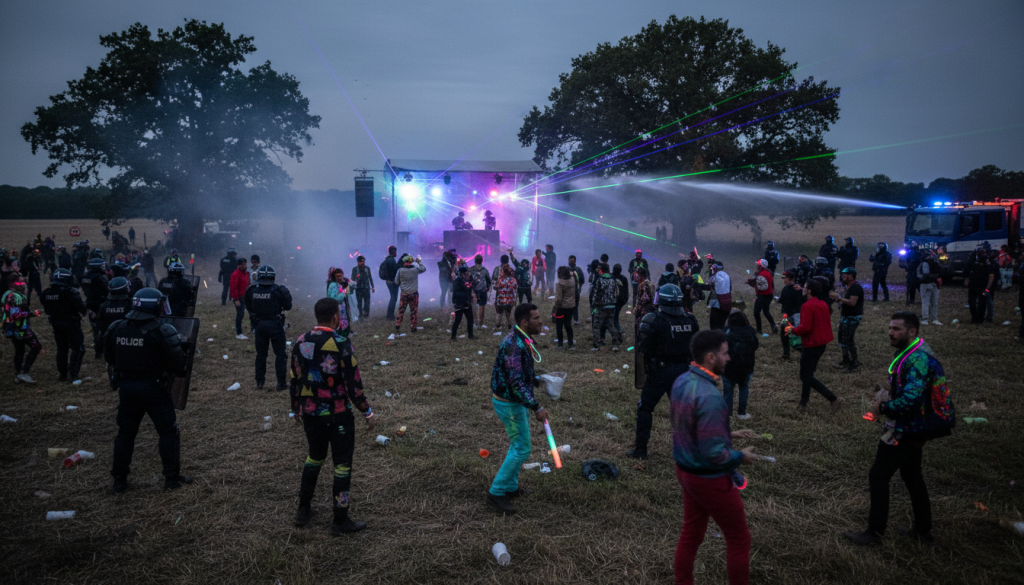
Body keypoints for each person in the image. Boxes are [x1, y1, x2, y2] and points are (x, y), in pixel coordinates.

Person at [843, 312, 955, 546]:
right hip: (916, 426)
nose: (891, 333)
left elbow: (912, 401)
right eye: (890, 328)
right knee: (912, 475)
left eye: (897, 329)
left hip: (909, 427)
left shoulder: (918, 360)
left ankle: (874, 534)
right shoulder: (914, 353)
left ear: (912, 331)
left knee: (879, 475)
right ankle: (923, 532)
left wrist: (882, 406)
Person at [670, 328, 758, 585]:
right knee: (739, 538)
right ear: (710, 358)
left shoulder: (682, 381)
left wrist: (728, 431)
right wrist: (740, 456)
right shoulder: (710, 396)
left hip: (686, 471)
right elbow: (713, 453)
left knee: (692, 532)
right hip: (710, 479)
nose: (729, 358)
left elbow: (690, 424)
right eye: (724, 353)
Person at [290, 298, 375, 535]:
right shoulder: (341, 343)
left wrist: (295, 407)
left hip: (311, 414)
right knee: (342, 466)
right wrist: (366, 411)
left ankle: (303, 510)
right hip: (338, 416)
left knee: (314, 458)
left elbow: (294, 378)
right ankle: (340, 520)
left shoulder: (300, 341)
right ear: (336, 317)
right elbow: (353, 384)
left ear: (317, 316)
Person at [104, 287, 191, 493]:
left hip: (127, 388)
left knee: (125, 434)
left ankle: (119, 482)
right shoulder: (162, 330)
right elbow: (178, 367)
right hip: (154, 389)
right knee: (168, 432)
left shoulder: (117, 327)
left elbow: (109, 357)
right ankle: (171, 479)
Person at [486, 303, 548, 514]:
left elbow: (520, 373)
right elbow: (515, 383)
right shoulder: (514, 344)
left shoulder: (522, 338)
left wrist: (539, 380)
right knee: (522, 448)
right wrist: (536, 407)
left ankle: (510, 487)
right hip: (509, 402)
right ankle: (496, 492)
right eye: (536, 318)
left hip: (514, 400)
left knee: (517, 444)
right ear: (524, 322)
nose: (541, 321)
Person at [627, 284, 699, 459]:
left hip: (660, 371)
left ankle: (641, 450)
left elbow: (644, 347)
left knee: (645, 409)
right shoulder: (691, 321)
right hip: (684, 371)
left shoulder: (654, 320)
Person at [788, 279, 844, 412]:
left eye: (805, 287)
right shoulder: (823, 304)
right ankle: (803, 403)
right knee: (809, 374)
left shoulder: (807, 306)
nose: (803, 289)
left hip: (811, 345)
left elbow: (805, 328)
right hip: (821, 344)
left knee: (805, 376)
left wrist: (792, 330)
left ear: (809, 291)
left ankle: (833, 399)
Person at [245, 265, 292, 390]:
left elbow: (248, 306)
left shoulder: (252, 289)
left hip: (259, 324)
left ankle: (260, 382)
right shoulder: (279, 290)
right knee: (280, 354)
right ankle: (281, 383)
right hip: (275, 324)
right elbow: (288, 306)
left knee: (261, 355)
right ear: (273, 276)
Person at [41, 269, 87, 383]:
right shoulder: (71, 291)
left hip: (56, 323)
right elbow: (82, 309)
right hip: (71, 323)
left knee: (62, 349)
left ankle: (63, 375)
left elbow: (46, 307)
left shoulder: (47, 293)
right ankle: (73, 374)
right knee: (78, 348)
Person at [3, 274, 42, 384]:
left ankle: (19, 374)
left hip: (13, 328)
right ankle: (24, 372)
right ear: (12, 284)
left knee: (20, 350)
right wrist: (32, 314)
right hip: (20, 328)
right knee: (36, 346)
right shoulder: (13, 296)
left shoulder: (10, 294)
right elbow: (15, 315)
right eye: (19, 282)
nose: (22, 284)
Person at [723, 312, 759, 420]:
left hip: (728, 367)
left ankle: (727, 414)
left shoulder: (727, 333)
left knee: (728, 390)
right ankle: (742, 412)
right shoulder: (751, 332)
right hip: (746, 367)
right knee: (744, 387)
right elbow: (755, 346)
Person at [831, 267, 865, 372]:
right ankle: (845, 360)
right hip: (845, 316)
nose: (842, 277)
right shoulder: (848, 286)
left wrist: (839, 298)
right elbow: (846, 301)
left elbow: (852, 302)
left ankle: (854, 363)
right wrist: (839, 301)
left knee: (848, 340)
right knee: (842, 339)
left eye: (845, 275)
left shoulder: (855, 287)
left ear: (851, 276)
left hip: (852, 317)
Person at [80, 257, 110, 358]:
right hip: (101, 305)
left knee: (95, 329)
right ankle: (104, 350)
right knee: (104, 328)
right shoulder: (101, 277)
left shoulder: (85, 277)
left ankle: (98, 352)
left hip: (91, 305)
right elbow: (107, 291)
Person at [589, 262, 622, 351]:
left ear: (601, 270)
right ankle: (616, 342)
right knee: (610, 324)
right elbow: (616, 293)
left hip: (601, 306)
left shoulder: (599, 280)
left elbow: (595, 294)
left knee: (596, 326)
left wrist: (593, 305)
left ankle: (596, 345)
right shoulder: (613, 280)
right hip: (611, 305)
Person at [394, 254, 426, 333]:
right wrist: (418, 262)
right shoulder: (415, 269)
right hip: (414, 293)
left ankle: (397, 325)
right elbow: (424, 269)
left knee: (401, 310)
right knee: (414, 311)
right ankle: (413, 327)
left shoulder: (400, 270)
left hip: (404, 293)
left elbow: (396, 282)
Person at [777, 270, 804, 361]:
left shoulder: (789, 289)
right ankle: (788, 353)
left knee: (787, 335)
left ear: (792, 279)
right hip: (797, 315)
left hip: (792, 316)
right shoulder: (800, 289)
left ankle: (788, 354)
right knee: (793, 335)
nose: (785, 280)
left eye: (786, 278)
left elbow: (785, 305)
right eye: (784, 278)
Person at [747, 259, 776, 336]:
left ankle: (759, 330)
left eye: (758, 265)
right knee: (766, 312)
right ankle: (774, 327)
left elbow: (760, 287)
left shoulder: (761, 275)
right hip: (769, 295)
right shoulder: (768, 273)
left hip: (762, 296)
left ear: (760, 266)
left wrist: (752, 284)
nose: (757, 266)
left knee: (756, 312)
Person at [700, 261, 732, 330]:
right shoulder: (726, 276)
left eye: (714, 269)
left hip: (718, 303)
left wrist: (697, 285)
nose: (713, 270)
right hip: (725, 303)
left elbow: (709, 286)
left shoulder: (717, 278)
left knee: (715, 324)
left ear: (719, 268)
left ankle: (717, 337)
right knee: (722, 324)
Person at [552, 266, 576, 348]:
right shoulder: (573, 280)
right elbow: (572, 274)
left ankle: (560, 344)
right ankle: (570, 343)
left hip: (562, 308)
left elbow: (559, 299)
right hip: (571, 306)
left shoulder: (559, 284)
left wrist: (555, 307)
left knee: (559, 325)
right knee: (568, 325)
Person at [325, 268, 353, 337]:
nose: (340, 278)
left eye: (341, 276)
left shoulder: (340, 284)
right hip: (336, 310)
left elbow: (349, 292)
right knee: (338, 329)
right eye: (337, 276)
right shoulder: (333, 285)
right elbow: (335, 299)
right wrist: (345, 291)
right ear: (334, 277)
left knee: (344, 327)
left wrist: (350, 286)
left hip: (343, 309)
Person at [917, 250, 942, 326]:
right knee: (928, 302)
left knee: (931, 302)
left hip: (931, 285)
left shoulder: (933, 264)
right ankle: (928, 318)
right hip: (927, 284)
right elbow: (925, 275)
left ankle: (930, 318)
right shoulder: (925, 264)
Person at [450, 266, 475, 339]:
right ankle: (453, 336)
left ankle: (470, 335)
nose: (467, 274)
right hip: (460, 304)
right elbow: (455, 293)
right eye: (466, 273)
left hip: (467, 303)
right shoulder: (458, 281)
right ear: (462, 274)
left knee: (470, 319)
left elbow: (470, 288)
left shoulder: (467, 281)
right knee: (458, 320)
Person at [468, 254, 491, 328]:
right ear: (482, 261)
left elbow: (467, 280)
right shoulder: (484, 270)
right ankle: (481, 324)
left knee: (473, 306)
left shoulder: (470, 270)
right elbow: (488, 281)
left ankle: (474, 323)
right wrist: (487, 287)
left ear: (475, 261)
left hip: (473, 291)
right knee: (482, 307)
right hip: (482, 290)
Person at [229, 257, 250, 339]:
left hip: (246, 297)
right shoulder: (235, 274)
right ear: (238, 265)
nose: (244, 266)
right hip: (240, 298)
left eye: (244, 264)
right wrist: (236, 299)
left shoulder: (246, 274)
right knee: (240, 315)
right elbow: (233, 287)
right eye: (242, 264)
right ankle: (239, 333)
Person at [633, 267, 656, 337]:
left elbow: (642, 300)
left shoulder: (642, 285)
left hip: (644, 312)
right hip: (651, 311)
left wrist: (636, 310)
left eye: (636, 275)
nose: (634, 276)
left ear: (641, 276)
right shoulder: (651, 284)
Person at [493, 265, 517, 330]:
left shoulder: (500, 279)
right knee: (508, 312)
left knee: (499, 313)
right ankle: (509, 325)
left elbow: (496, 287)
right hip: (510, 299)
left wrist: (495, 287)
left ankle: (498, 325)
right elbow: (515, 287)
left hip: (501, 300)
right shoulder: (513, 280)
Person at [350, 255, 375, 319]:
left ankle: (366, 313)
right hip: (358, 288)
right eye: (360, 262)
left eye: (363, 261)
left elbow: (370, 277)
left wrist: (372, 286)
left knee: (367, 302)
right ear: (357, 262)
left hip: (366, 287)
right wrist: (352, 287)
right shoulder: (355, 269)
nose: (362, 263)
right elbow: (352, 279)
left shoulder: (367, 268)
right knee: (359, 302)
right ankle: (360, 313)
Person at [381, 246, 400, 320]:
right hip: (392, 282)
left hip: (388, 281)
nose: (396, 253)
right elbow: (395, 270)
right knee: (393, 298)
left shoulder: (387, 259)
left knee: (393, 297)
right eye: (395, 251)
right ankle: (390, 315)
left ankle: (390, 314)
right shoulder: (392, 260)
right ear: (393, 251)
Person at [567, 255, 585, 324]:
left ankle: (575, 320)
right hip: (569, 291)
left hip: (575, 291)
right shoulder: (566, 269)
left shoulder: (578, 270)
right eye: (571, 261)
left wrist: (578, 286)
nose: (571, 262)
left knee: (575, 306)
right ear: (568, 261)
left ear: (575, 261)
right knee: (570, 306)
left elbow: (582, 280)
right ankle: (571, 319)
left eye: (573, 261)